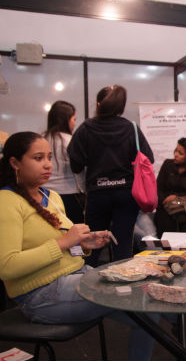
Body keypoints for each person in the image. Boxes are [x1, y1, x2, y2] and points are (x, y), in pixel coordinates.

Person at [0, 132, 157, 361]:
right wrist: (65, 241)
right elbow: (7, 267)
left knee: (149, 310)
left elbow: (66, 248)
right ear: (15, 163)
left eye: (49, 157)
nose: (47, 164)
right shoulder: (4, 202)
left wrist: (84, 244)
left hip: (78, 277)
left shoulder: (51, 196)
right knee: (144, 294)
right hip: (41, 296)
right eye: (37, 158)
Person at [68, 85, 154, 266]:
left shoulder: (86, 128)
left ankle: (88, 285)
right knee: (122, 244)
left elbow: (75, 163)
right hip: (126, 194)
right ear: (121, 107)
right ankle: (121, 288)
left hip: (98, 194)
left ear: (98, 104)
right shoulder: (131, 128)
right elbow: (149, 158)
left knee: (92, 244)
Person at [43, 100, 85, 224]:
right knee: (73, 235)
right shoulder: (72, 141)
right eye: (74, 119)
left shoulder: (40, 140)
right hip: (70, 196)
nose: (74, 123)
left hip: (44, 194)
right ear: (66, 120)